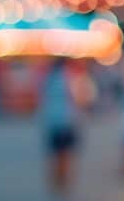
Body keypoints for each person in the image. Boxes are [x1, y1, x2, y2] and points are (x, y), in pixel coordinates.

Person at [38, 59, 86, 196]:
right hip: (67, 120)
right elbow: (79, 99)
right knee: (65, 154)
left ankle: (55, 183)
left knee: (54, 154)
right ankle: (63, 184)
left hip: (51, 120)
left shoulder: (48, 78)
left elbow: (42, 98)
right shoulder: (70, 77)